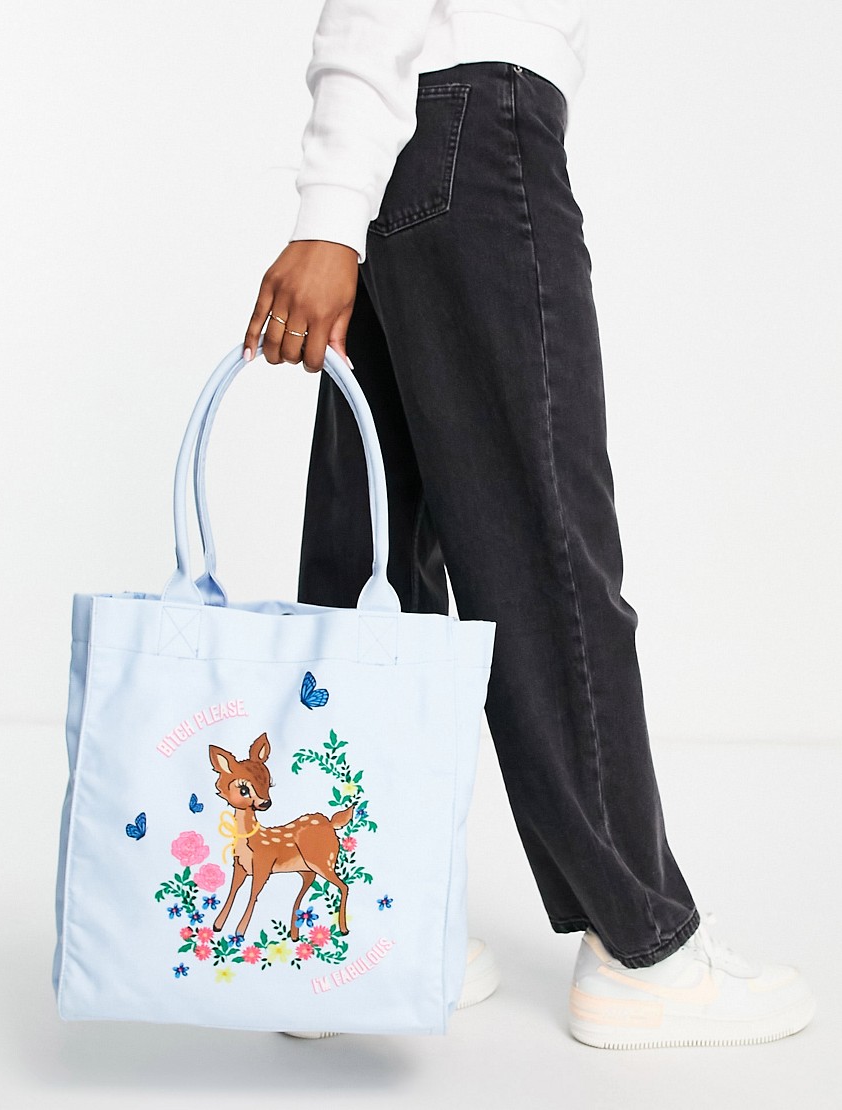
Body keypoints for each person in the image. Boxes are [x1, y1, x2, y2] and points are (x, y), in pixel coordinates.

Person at [241, 0, 816, 1048]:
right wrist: (326, 211)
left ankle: (360, 934)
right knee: (545, 547)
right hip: (478, 135)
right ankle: (641, 947)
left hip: (406, 151)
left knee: (371, 556)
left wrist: (344, 197)